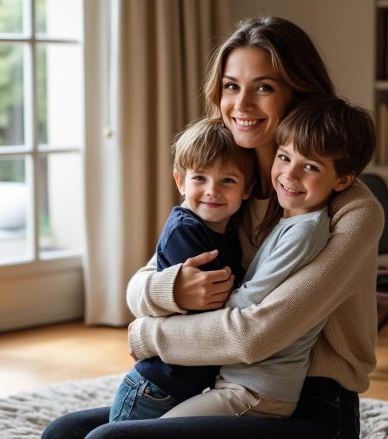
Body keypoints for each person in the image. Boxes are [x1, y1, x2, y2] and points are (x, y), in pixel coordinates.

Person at [43, 15, 383, 439]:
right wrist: (171, 289)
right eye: (231, 86)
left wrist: (150, 334)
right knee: (64, 432)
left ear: (300, 93)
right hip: (222, 382)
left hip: (309, 406)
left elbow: (256, 335)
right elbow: (141, 284)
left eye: (264, 87)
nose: (241, 105)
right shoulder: (226, 187)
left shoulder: (351, 212)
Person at [159, 96, 375, 420]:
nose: (290, 174)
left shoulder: (306, 231)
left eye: (310, 167)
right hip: (235, 382)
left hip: (257, 392)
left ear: (343, 180)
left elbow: (250, 305)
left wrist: (193, 313)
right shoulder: (284, 219)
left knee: (151, 430)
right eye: (284, 157)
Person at [110, 117, 258, 422]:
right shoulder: (185, 230)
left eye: (227, 181)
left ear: (247, 189)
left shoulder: (228, 232)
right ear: (180, 182)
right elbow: (217, 302)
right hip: (156, 385)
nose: (211, 191)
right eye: (199, 178)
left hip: (187, 385)